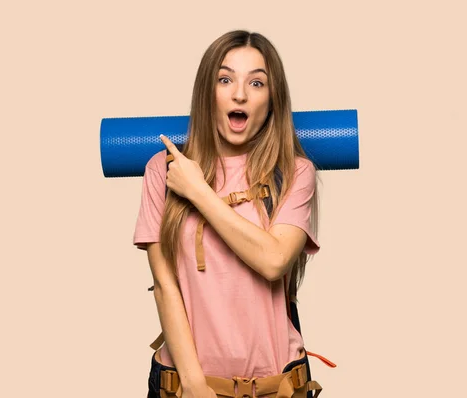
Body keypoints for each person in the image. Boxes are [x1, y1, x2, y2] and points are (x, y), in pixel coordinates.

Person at [133, 30, 324, 398]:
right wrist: (193, 386)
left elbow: (274, 260)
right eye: (225, 79)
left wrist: (199, 192)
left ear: (272, 100)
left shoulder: (296, 172)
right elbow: (164, 285)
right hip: (185, 388)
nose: (239, 94)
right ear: (208, 93)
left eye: (256, 82)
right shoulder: (163, 169)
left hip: (277, 387)